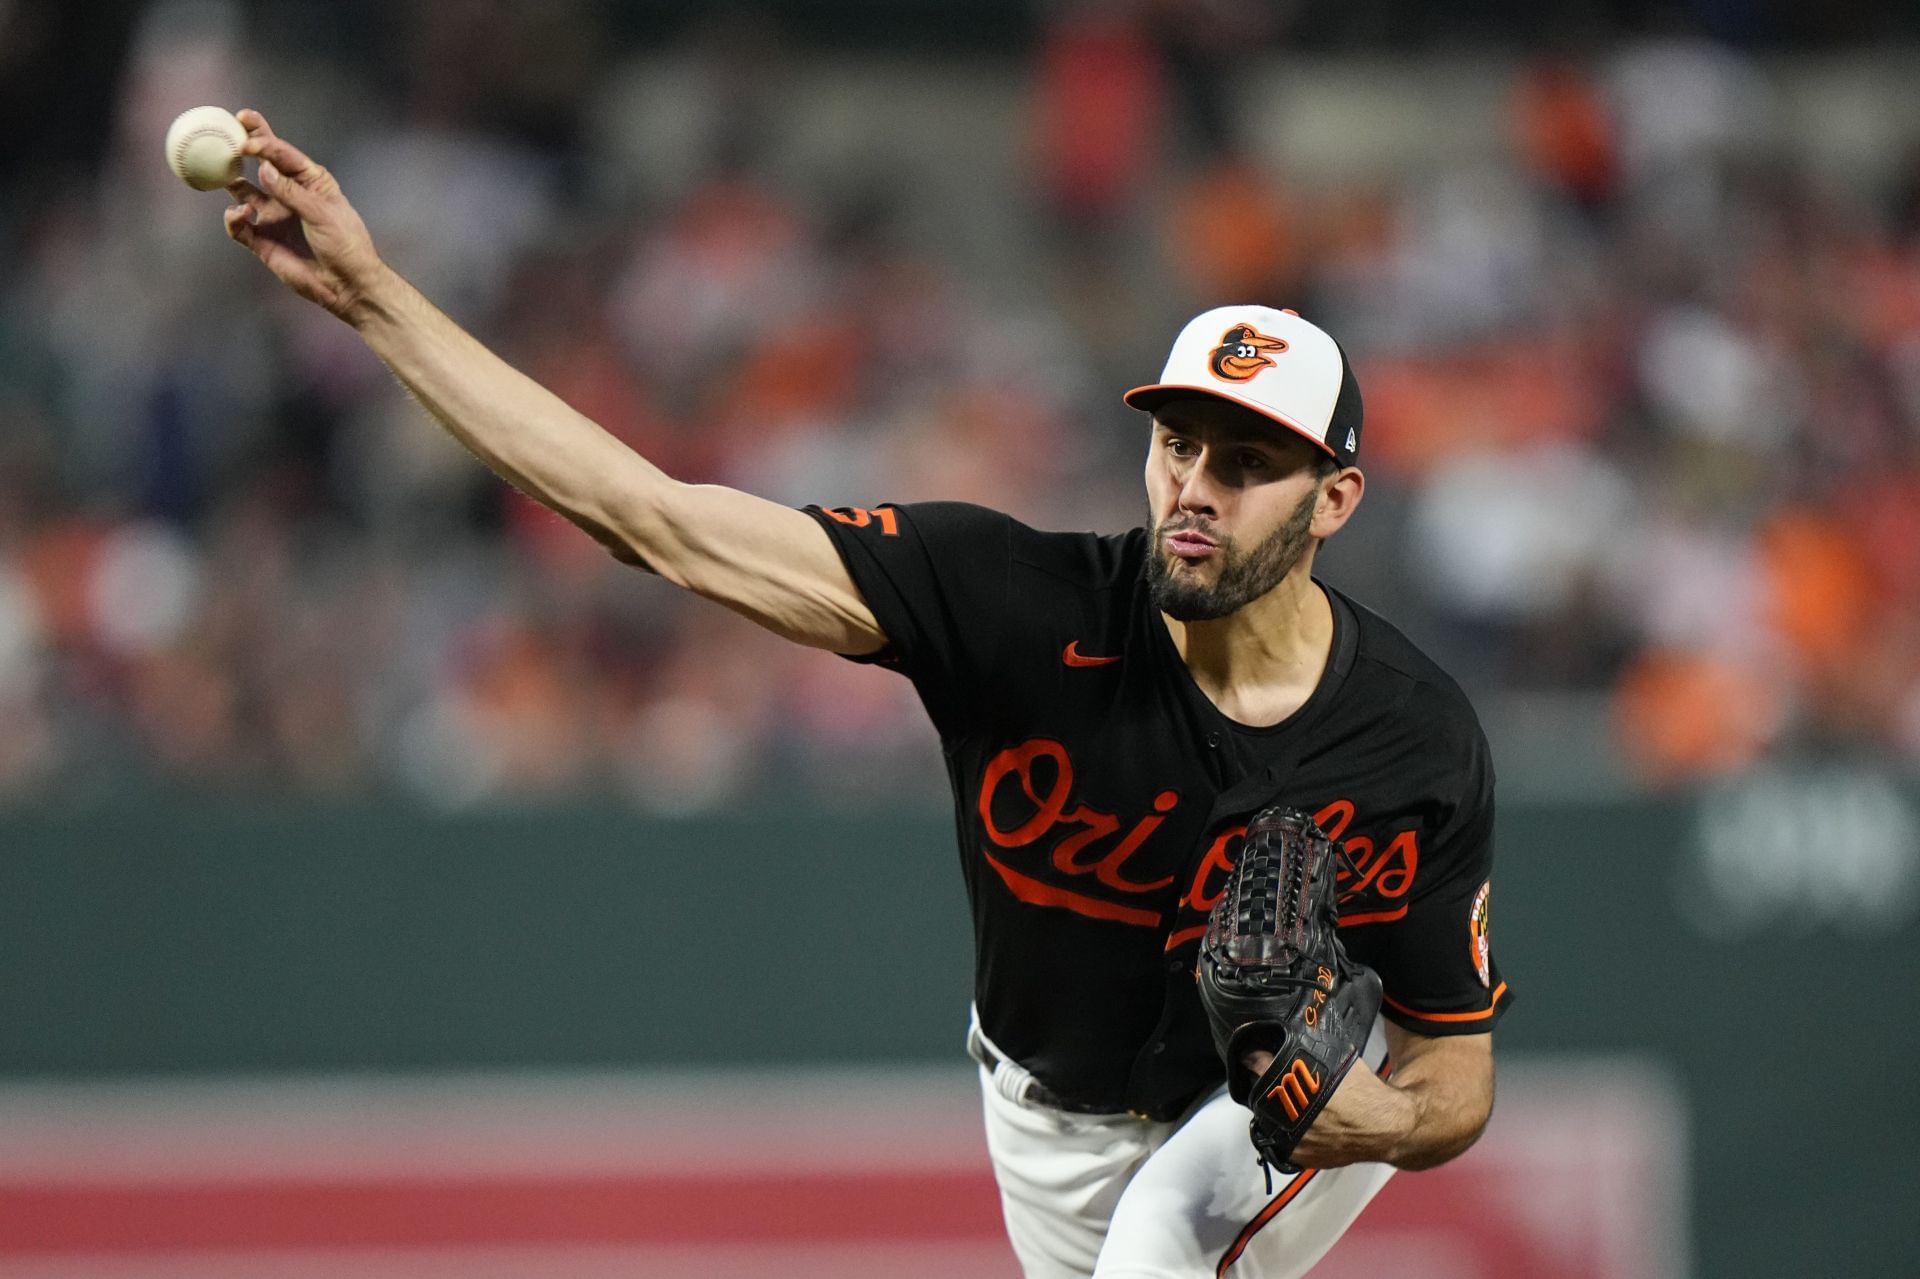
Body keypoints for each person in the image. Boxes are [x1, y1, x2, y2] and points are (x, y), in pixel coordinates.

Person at [220, 109, 1512, 1279]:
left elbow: (1453, 1067)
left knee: (1157, 1248)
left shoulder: (1409, 736)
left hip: (1270, 1103)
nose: (1194, 488)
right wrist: (376, 298)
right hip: (1040, 1119)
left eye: (1247, 463)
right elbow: (655, 521)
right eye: (1177, 443)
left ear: (1335, 498)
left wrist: (1374, 1122)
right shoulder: (1014, 606)